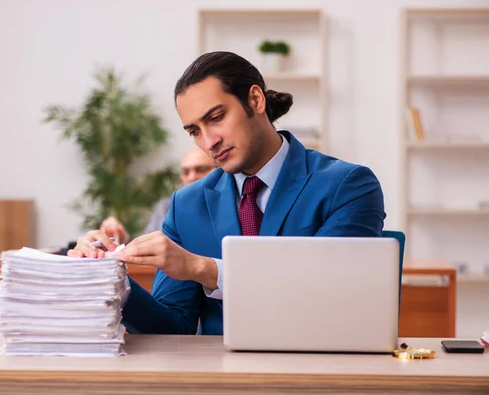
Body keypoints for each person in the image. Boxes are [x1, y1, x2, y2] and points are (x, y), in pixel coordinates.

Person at [69, 51, 386, 335]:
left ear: (256, 100)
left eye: (216, 118)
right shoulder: (186, 205)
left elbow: (325, 292)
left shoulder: (349, 186)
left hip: (316, 374)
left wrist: (203, 268)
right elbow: (172, 327)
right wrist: (112, 278)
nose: (208, 142)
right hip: (219, 378)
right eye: (194, 131)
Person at [97, 147, 215, 245]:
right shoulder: (167, 207)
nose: (192, 177)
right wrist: (123, 239)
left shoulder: (229, 203)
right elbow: (148, 245)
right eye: (186, 172)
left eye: (201, 169)